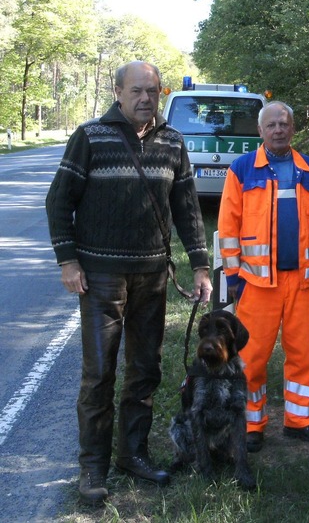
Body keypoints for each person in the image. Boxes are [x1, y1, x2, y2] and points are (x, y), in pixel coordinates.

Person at [46, 61, 211, 506]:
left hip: (152, 277)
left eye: (152, 91)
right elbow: (59, 200)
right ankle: (92, 467)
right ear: (118, 92)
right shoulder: (90, 137)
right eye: (136, 91)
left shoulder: (173, 142)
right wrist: (68, 260)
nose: (145, 99)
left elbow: (188, 209)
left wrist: (200, 265)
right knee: (99, 375)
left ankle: (132, 455)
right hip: (100, 277)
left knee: (145, 371)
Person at [218, 101, 309, 452]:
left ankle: (299, 421)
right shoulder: (242, 169)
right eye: (272, 125)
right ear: (260, 131)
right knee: (251, 358)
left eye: (284, 124)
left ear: (293, 128)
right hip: (256, 284)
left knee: (303, 355)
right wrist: (233, 275)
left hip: (304, 283)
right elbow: (228, 226)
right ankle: (251, 425)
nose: (278, 130)